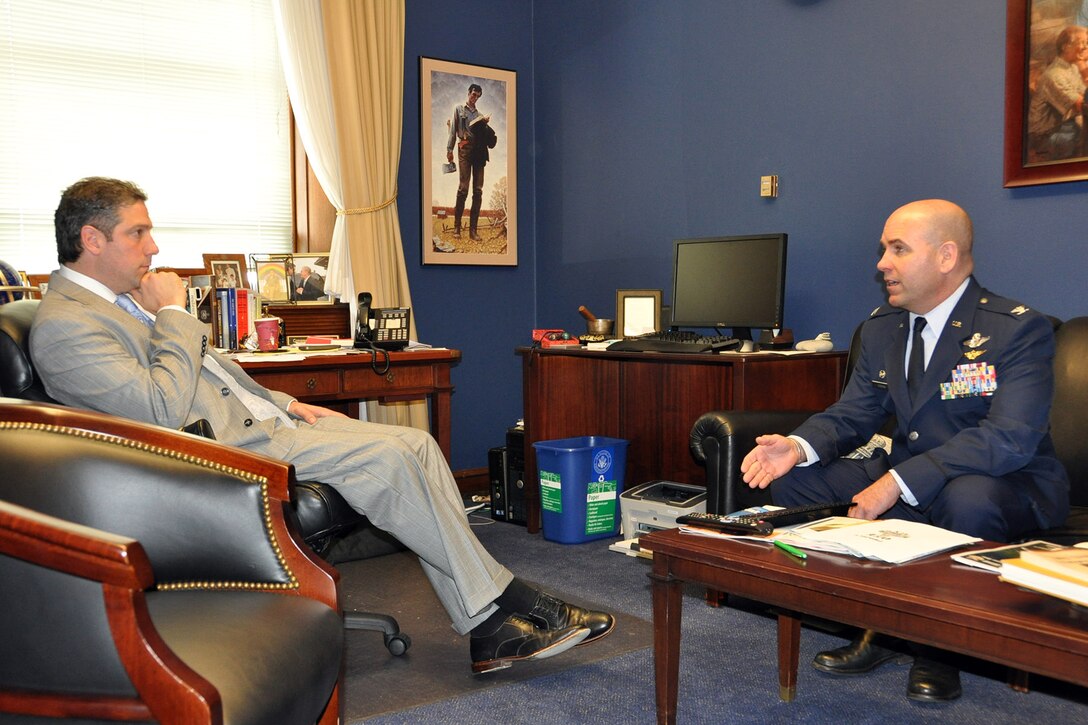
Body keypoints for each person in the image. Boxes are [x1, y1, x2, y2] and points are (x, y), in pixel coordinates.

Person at [29, 177, 615, 674]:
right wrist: (177, 315)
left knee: (417, 442)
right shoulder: (67, 325)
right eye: (138, 233)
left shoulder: (118, 302)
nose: (153, 247)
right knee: (387, 462)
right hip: (218, 457)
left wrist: (288, 404)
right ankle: (510, 603)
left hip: (264, 424)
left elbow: (214, 373)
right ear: (91, 239)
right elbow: (159, 407)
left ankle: (487, 627)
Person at [740, 199, 1069, 702]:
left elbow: (1009, 438)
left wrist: (897, 482)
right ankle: (874, 620)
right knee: (793, 484)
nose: (881, 264)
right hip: (911, 472)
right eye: (882, 250)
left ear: (945, 256)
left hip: (1005, 481)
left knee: (968, 499)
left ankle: (939, 648)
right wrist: (797, 446)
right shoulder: (883, 328)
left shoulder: (1016, 329)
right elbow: (855, 413)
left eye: (897, 249)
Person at [1027, 25, 1088, 160]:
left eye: (1086, 43)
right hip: (1045, 136)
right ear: (1065, 46)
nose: (1085, 47)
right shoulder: (1054, 75)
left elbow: (1085, 94)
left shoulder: (1072, 67)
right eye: (1081, 43)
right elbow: (1081, 106)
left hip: (1065, 126)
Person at [446, 83, 491, 241]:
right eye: (473, 94)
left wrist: (484, 124)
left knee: (478, 190)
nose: (475, 98)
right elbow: (453, 131)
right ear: (468, 93)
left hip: (478, 152)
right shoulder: (458, 109)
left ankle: (473, 230)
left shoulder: (479, 114)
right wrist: (449, 149)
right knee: (463, 188)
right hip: (464, 149)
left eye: (478, 96)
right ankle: (457, 228)